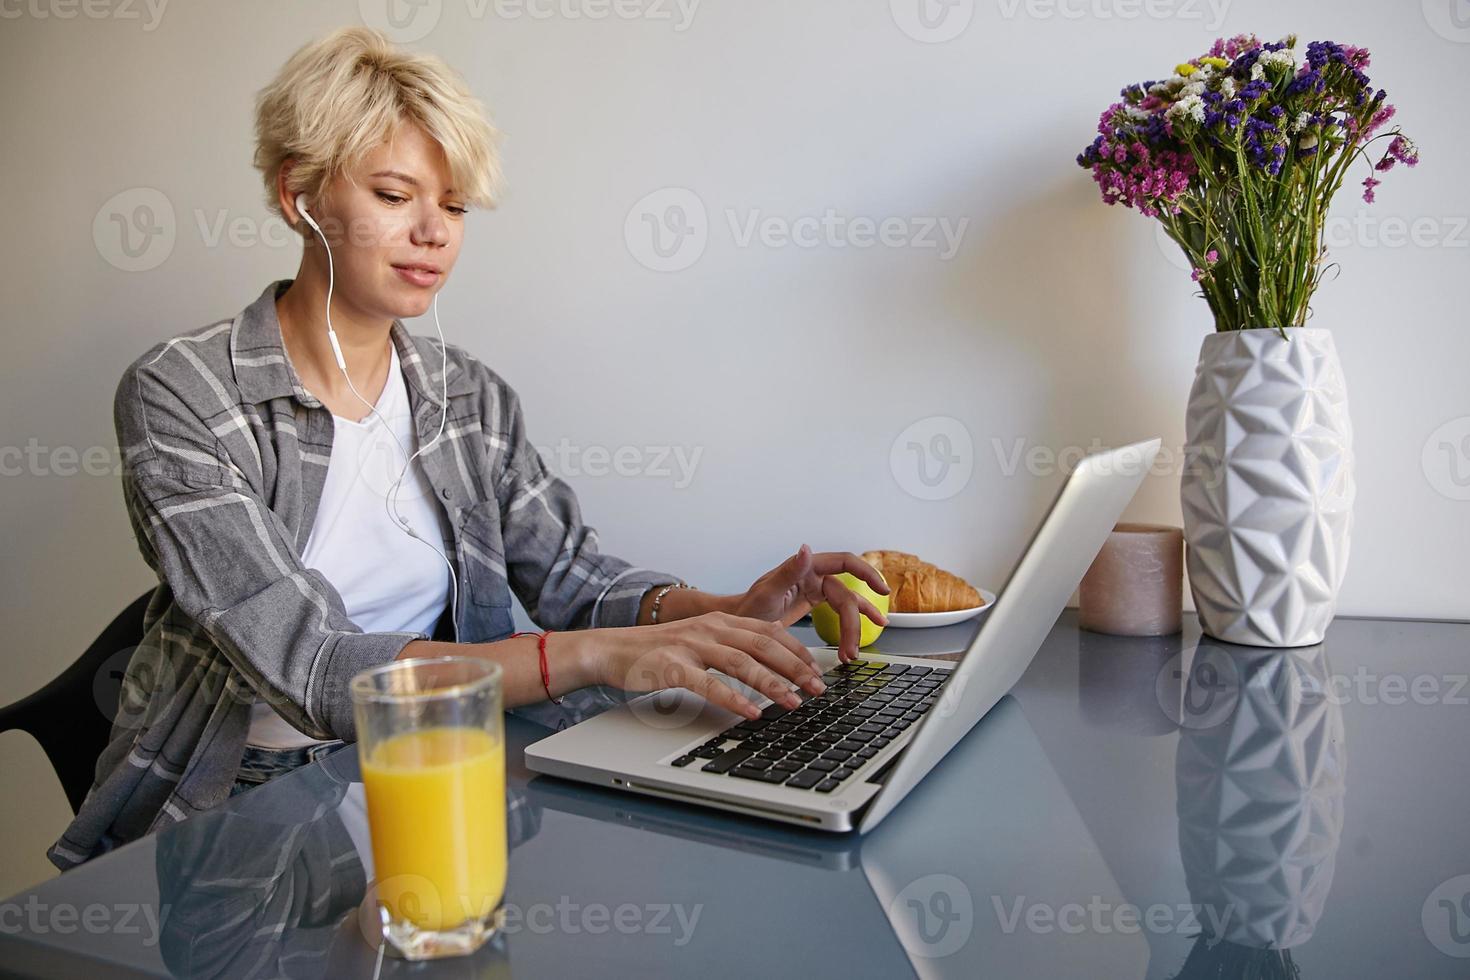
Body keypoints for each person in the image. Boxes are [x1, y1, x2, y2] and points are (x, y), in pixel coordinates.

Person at [48, 26, 889, 871]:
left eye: (452, 207)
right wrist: (588, 657)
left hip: (442, 765)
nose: (434, 232)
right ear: (300, 192)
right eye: (394, 194)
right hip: (246, 792)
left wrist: (730, 609)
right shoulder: (180, 392)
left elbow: (570, 580)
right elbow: (314, 664)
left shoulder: (469, 397)